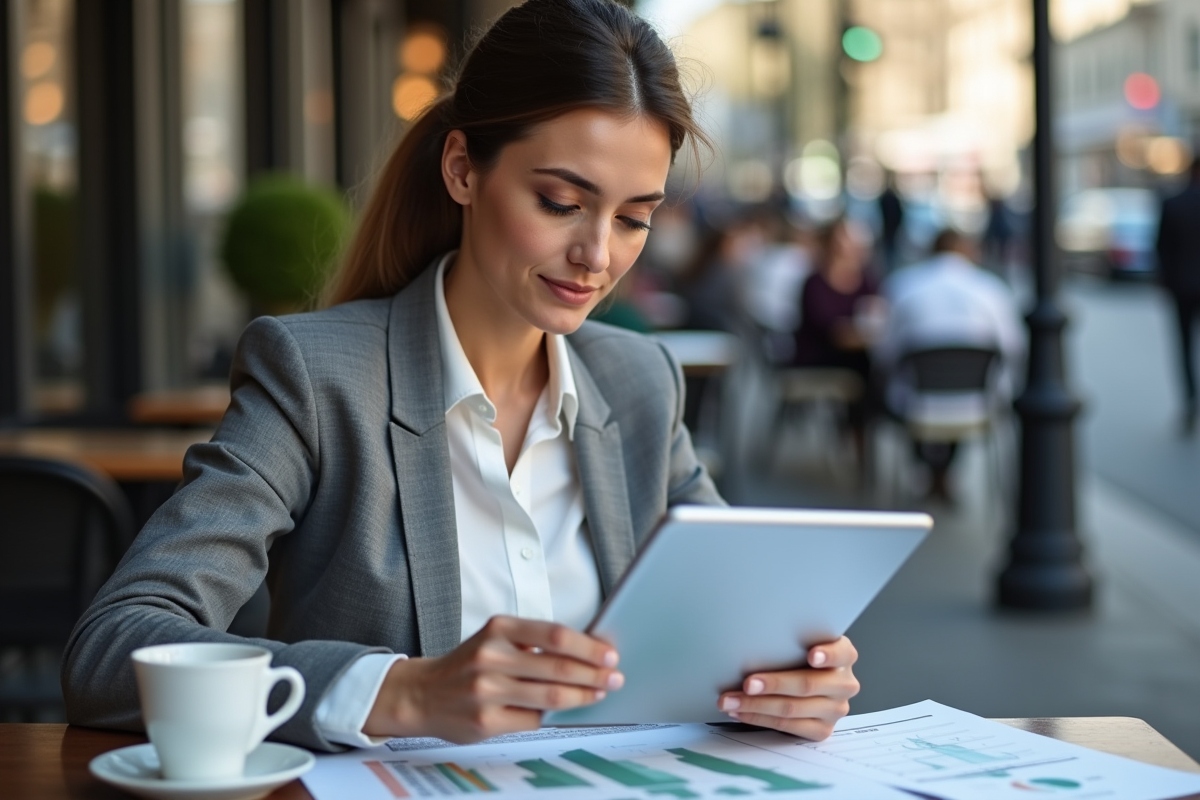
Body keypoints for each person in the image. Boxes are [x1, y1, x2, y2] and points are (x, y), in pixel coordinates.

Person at [62, 0, 859, 753]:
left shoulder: (640, 380)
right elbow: (114, 646)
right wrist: (404, 692)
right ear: (462, 170)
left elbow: (733, 622)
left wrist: (787, 680)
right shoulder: (319, 377)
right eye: (560, 202)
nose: (598, 255)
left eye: (633, 218)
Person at [875, 229, 1025, 501]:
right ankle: (941, 475)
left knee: (914, 390)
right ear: (970, 252)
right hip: (975, 402)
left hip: (916, 402)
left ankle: (932, 472)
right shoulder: (990, 288)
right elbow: (1012, 346)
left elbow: (885, 351)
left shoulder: (903, 284)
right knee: (957, 392)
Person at [792, 218, 882, 457]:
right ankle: (858, 439)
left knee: (871, 369)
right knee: (864, 371)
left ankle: (859, 433)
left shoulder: (867, 280)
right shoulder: (815, 282)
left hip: (854, 355)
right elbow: (826, 329)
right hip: (818, 359)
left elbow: (876, 314)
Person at [1155, 157, 1200, 435]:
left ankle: (1190, 402)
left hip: (1181, 286)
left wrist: (1163, 283)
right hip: (1182, 285)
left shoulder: (1173, 203)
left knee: (1184, 348)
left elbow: (1161, 248)